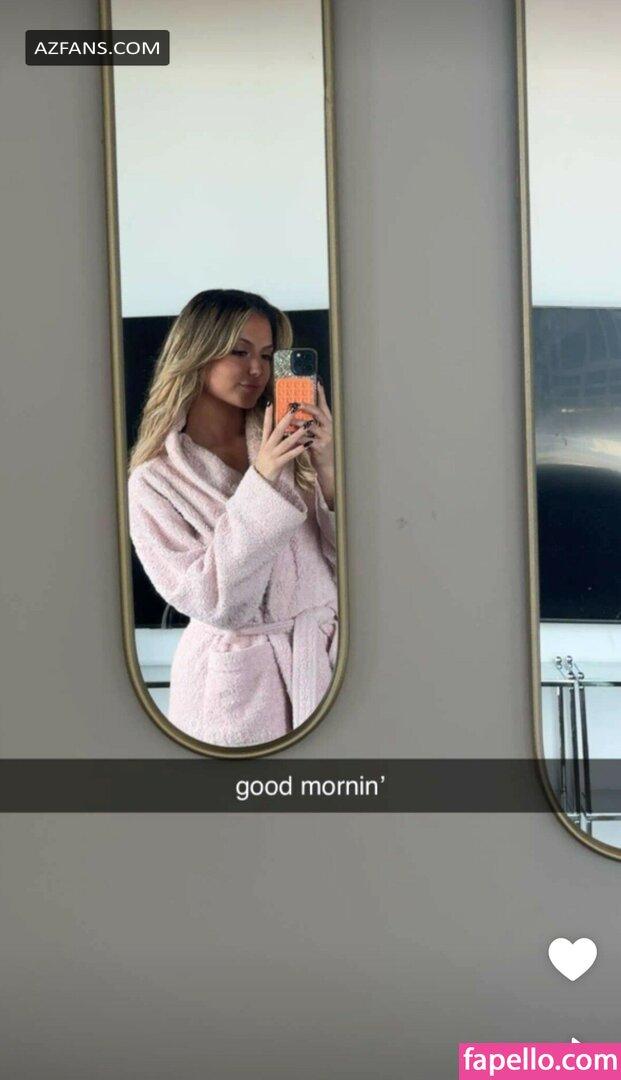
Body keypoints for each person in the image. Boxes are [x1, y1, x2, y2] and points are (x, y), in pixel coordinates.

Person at [127, 289, 338, 748]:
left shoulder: (292, 442)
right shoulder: (155, 480)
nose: (257, 370)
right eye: (239, 352)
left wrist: (328, 468)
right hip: (239, 688)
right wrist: (263, 479)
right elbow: (215, 601)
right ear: (197, 354)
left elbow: (356, 568)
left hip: (327, 666)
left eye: (266, 355)